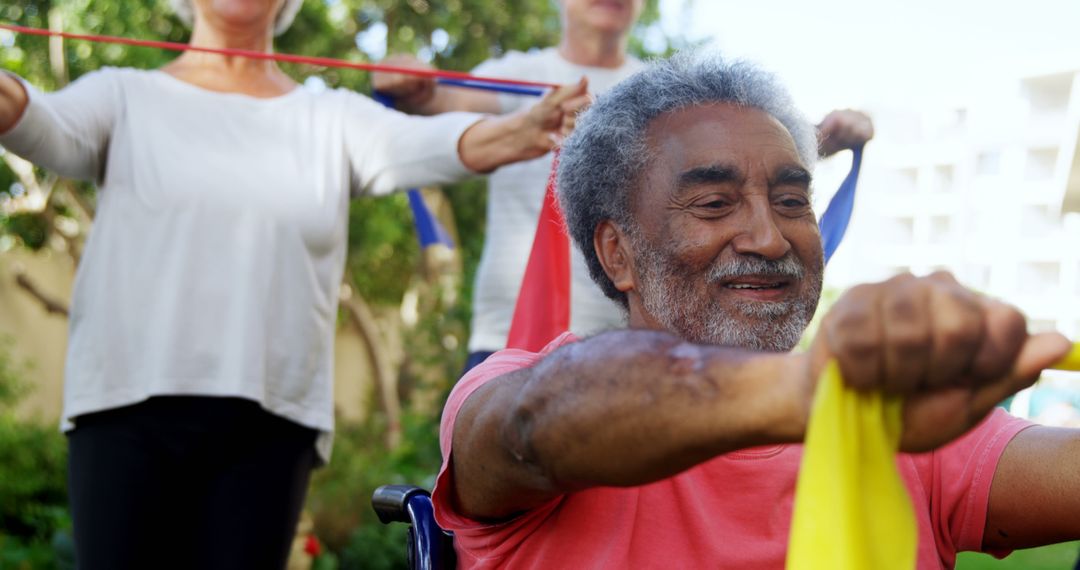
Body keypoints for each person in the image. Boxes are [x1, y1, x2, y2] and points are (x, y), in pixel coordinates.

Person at [431, 51, 1080, 569]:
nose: (771, 239)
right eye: (714, 204)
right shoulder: (509, 392)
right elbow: (537, 422)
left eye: (793, 202)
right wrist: (819, 393)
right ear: (617, 253)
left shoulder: (905, 422)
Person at [0, 0, 588, 568]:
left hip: (269, 426)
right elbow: (39, 123)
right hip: (124, 409)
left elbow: (448, 143)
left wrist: (528, 128)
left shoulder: (328, 116)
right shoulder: (122, 94)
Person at [372, 0, 874, 371]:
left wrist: (831, 136)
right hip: (516, 334)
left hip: (647, 338)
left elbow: (752, 162)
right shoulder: (516, 75)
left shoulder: (659, 91)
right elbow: (439, 106)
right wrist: (409, 84)